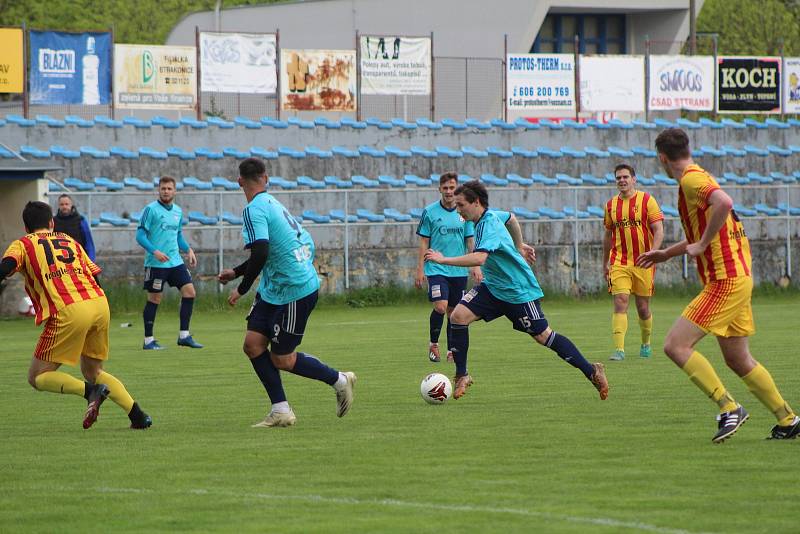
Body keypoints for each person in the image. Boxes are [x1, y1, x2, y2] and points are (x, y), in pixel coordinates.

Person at [638, 128, 799, 442]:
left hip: (725, 280)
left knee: (675, 345)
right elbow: (705, 227)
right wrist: (667, 254)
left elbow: (724, 203)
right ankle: (788, 419)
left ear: (662, 158)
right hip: (739, 277)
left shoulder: (690, 180)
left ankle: (728, 407)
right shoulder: (700, 175)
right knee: (738, 359)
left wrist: (703, 244)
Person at [424, 180, 609, 401]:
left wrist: (443, 260)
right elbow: (511, 217)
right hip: (493, 287)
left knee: (544, 336)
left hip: (517, 290)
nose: (458, 209)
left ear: (476, 203)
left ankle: (591, 370)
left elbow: (480, 257)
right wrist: (519, 245)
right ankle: (462, 375)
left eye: (462, 204)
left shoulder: (488, 225)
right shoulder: (488, 216)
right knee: (458, 316)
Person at [217, 157, 356, 428]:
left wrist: (242, 288)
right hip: (275, 289)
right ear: (266, 178)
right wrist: (236, 272)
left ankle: (339, 380)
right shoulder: (273, 204)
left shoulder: (253, 209)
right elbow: (294, 244)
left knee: (282, 359)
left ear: (239, 182)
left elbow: (262, 251)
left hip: (294, 291)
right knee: (253, 345)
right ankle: (281, 410)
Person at [0, 201, 151, 429]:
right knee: (94, 371)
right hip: (99, 304)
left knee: (37, 377)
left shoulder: (22, 244)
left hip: (70, 310)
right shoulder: (68, 240)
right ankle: (138, 416)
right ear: (51, 222)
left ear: (26, 227)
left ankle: (91, 392)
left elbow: (6, 267)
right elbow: (93, 274)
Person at [415, 172, 482, 363]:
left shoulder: (463, 214)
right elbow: (423, 242)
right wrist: (419, 269)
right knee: (441, 306)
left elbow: (470, 240)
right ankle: (433, 344)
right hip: (436, 268)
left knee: (454, 313)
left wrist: (475, 265)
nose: (449, 191)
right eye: (445, 188)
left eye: (452, 188)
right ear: (439, 190)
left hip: (458, 269)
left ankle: (452, 349)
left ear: (457, 189)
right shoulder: (430, 212)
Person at [603, 163, 664, 361]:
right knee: (620, 301)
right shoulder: (611, 205)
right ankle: (619, 349)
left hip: (643, 262)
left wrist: (652, 253)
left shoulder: (647, 200)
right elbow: (607, 235)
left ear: (634, 179)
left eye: (625, 177)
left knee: (642, 307)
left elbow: (658, 229)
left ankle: (645, 344)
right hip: (619, 261)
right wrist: (605, 262)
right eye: (618, 178)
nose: (622, 180)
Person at [136, 176, 202, 350]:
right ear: (159, 190)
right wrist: (155, 251)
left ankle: (184, 336)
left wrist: (188, 250)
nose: (166, 191)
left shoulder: (178, 211)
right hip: (156, 263)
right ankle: (148, 340)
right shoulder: (151, 210)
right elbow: (140, 236)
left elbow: (178, 235)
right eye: (163, 188)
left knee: (190, 292)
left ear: (175, 191)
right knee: (155, 298)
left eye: (169, 188)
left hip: (175, 261)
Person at [53, 194, 96, 261]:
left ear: (71, 205)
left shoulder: (81, 220)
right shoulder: (53, 222)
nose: (64, 206)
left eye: (67, 204)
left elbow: (88, 243)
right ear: (59, 206)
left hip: (78, 259)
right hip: (59, 261)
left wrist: (91, 261)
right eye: (62, 204)